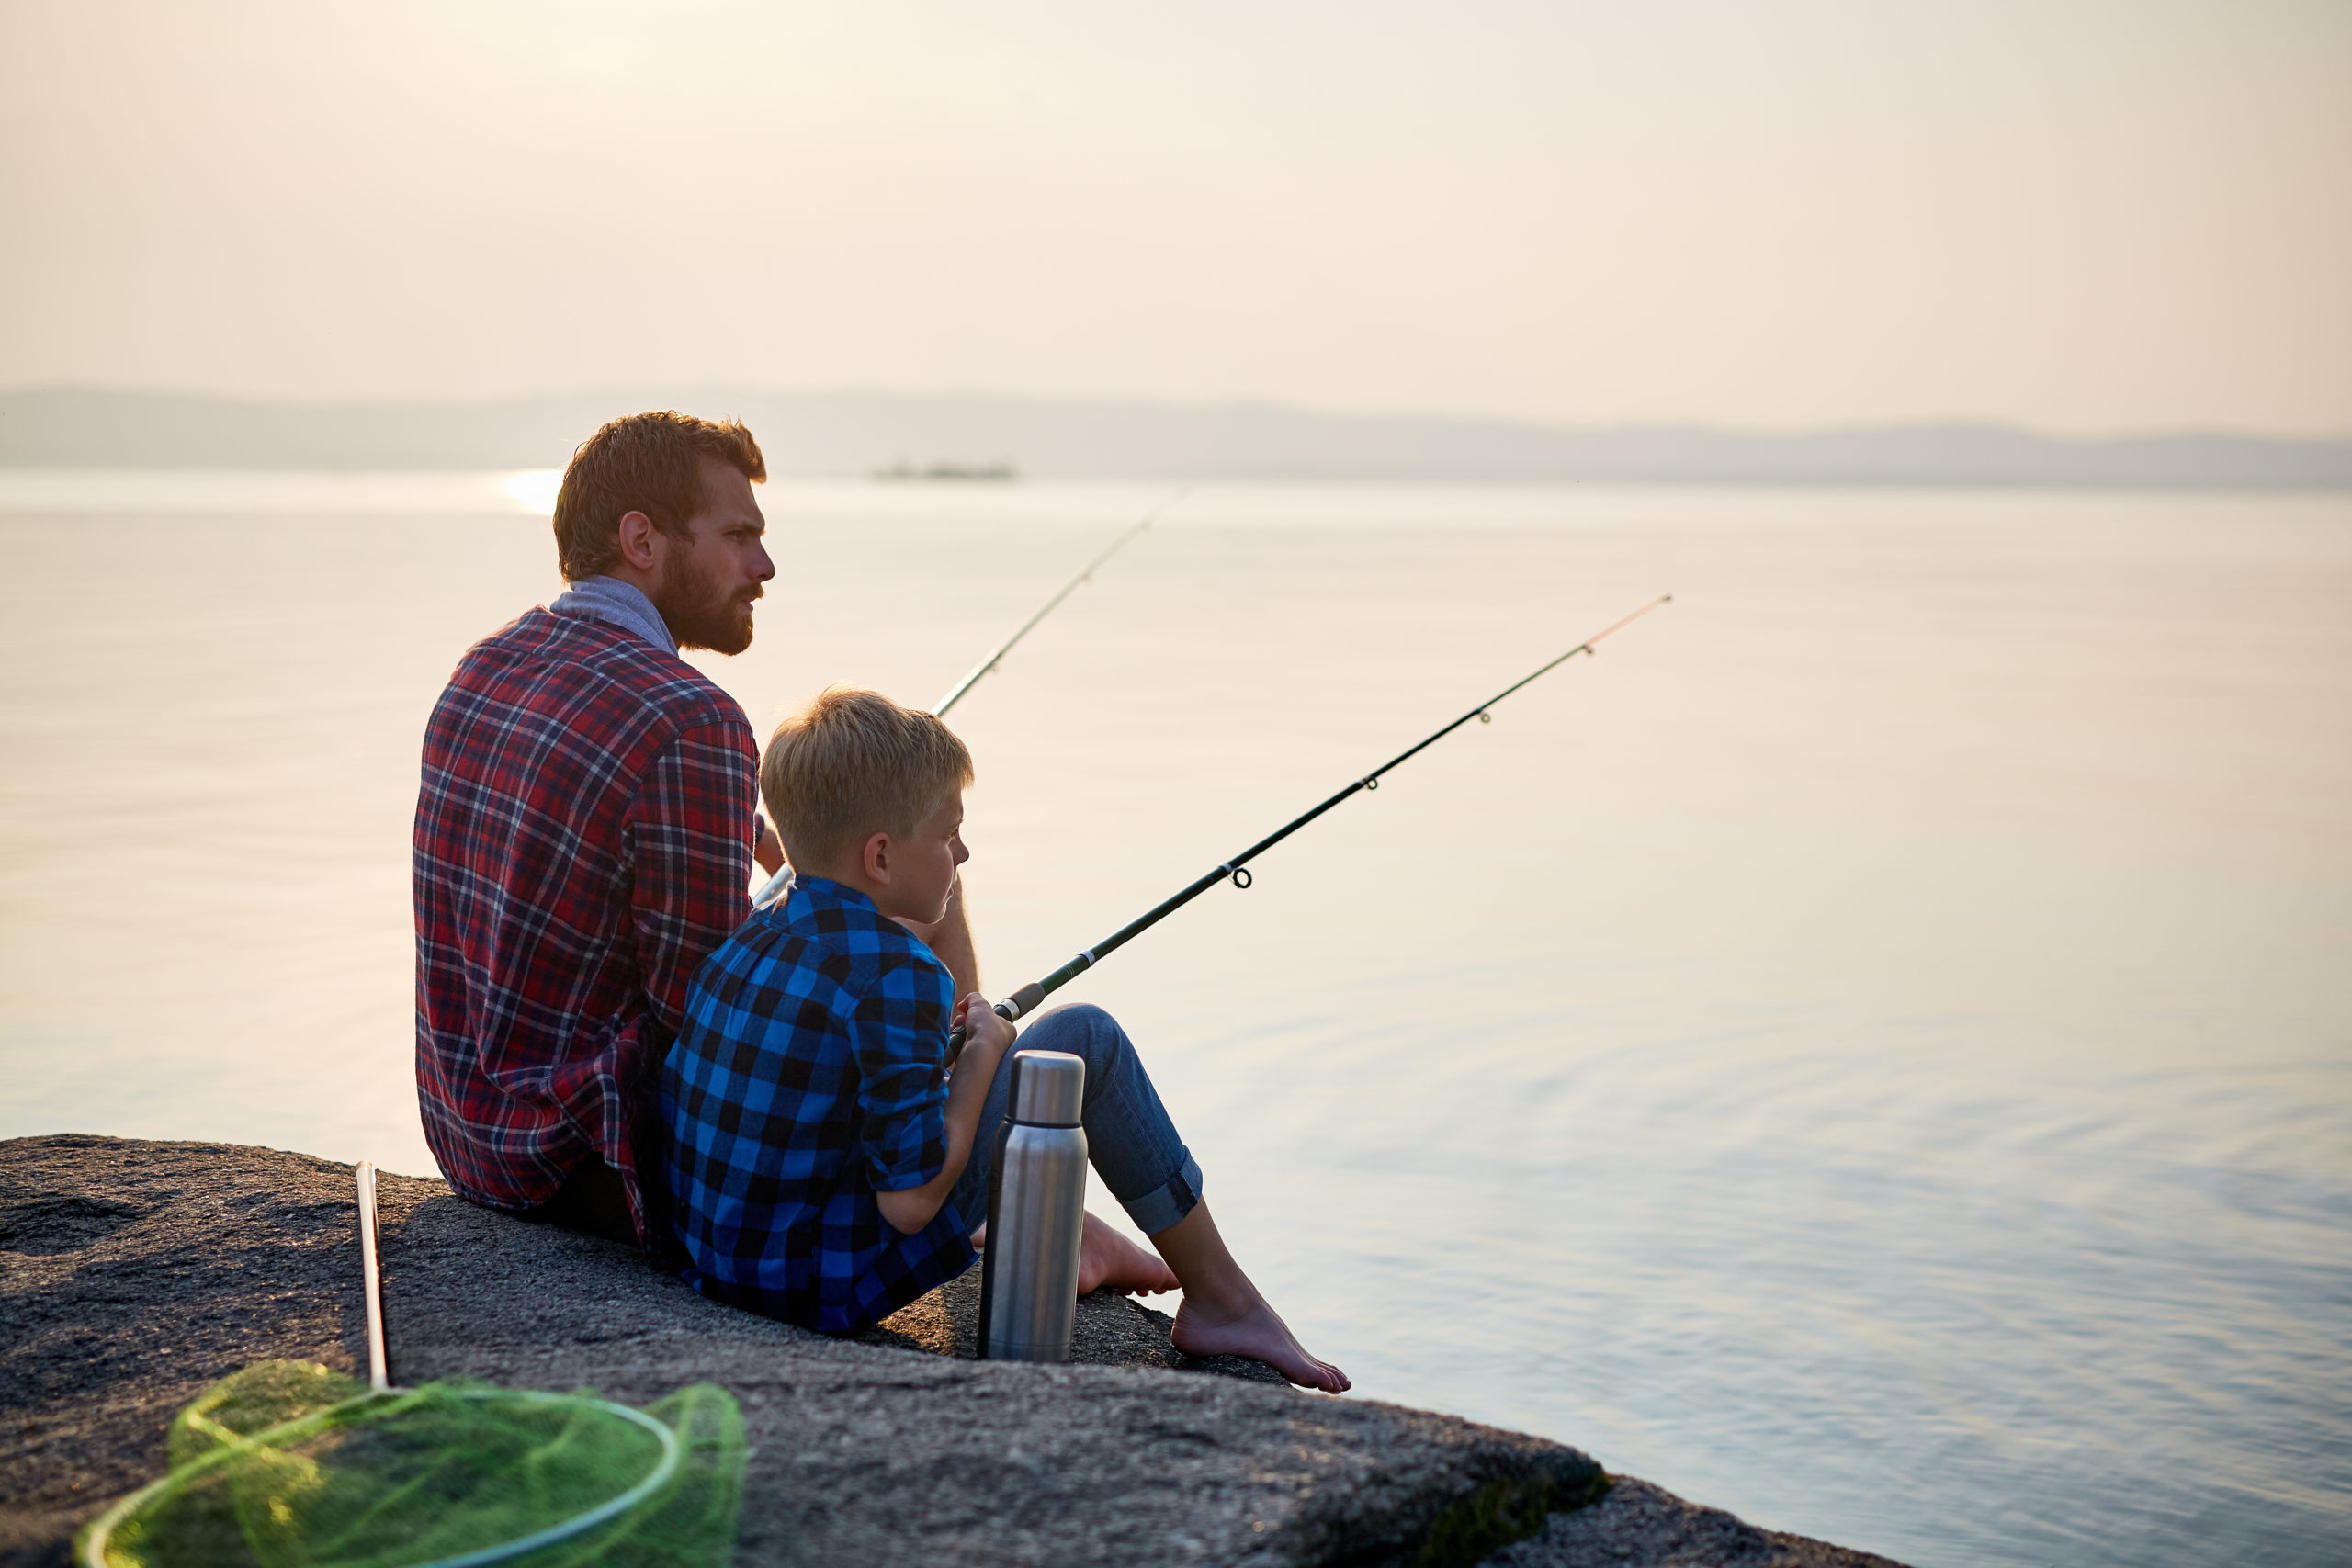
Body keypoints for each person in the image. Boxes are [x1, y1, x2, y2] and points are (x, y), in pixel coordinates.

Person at [662, 688, 1350, 1392]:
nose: (964, 849)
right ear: (880, 856)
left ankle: (1080, 1236)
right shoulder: (899, 975)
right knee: (1086, 1036)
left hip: (722, 1257)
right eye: (947, 834)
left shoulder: (748, 938)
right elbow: (911, 1201)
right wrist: (984, 1055)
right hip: (817, 1285)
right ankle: (1224, 1301)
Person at [413, 411, 979, 1249]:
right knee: (928, 880)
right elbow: (713, 1019)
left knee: (878, 877)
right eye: (739, 535)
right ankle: (1008, 1192)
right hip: (582, 1161)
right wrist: (886, 917)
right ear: (641, 538)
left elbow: (594, 808)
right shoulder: (691, 720)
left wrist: (759, 842)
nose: (765, 565)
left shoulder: (487, 661)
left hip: (466, 1133)